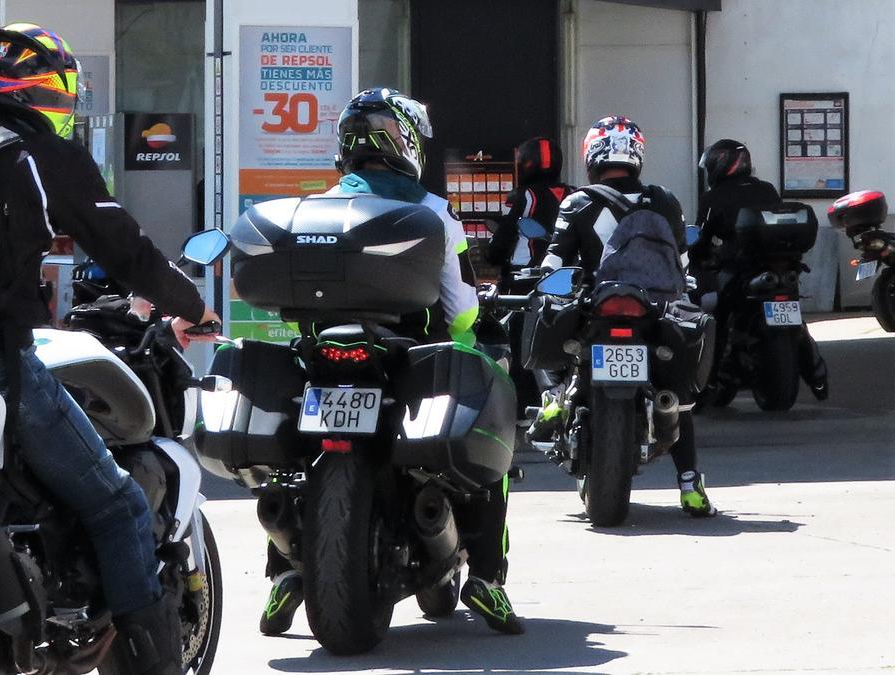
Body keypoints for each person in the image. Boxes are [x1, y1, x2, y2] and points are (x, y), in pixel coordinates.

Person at [0, 24, 220, 675]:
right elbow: (124, 248)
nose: (58, 106)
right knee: (119, 502)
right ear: (37, 97)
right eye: (54, 93)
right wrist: (193, 305)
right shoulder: (35, 153)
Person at [258, 88, 524, 637]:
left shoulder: (317, 207)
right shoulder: (432, 213)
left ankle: (284, 571)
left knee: (296, 458)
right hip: (409, 364)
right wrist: (466, 337)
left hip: (322, 359)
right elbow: (461, 307)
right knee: (489, 427)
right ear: (404, 143)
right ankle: (488, 579)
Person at [538, 115, 716, 518]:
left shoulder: (577, 202)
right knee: (676, 392)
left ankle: (552, 399)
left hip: (595, 310)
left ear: (591, 154)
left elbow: (552, 266)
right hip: (654, 312)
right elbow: (683, 268)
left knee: (544, 322)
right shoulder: (665, 201)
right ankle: (690, 485)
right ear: (637, 154)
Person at [691, 139, 828, 400]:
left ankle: (705, 381)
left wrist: (697, 257)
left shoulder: (713, 198)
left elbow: (700, 239)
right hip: (783, 267)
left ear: (719, 165)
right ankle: (818, 378)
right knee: (796, 320)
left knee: (714, 318)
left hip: (741, 270)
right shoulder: (767, 189)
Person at [488, 137, 573, 420]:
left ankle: (525, 408)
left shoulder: (521, 197)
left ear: (527, 164)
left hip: (525, 282)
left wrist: (492, 257)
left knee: (521, 345)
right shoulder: (575, 194)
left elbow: (499, 245)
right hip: (569, 281)